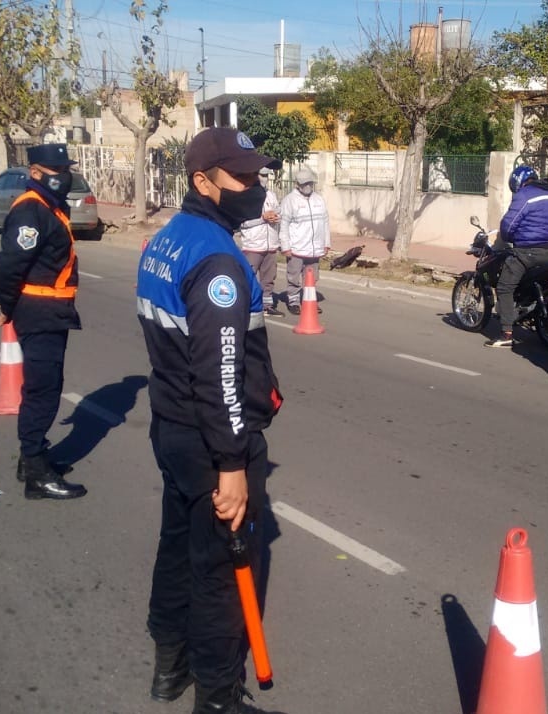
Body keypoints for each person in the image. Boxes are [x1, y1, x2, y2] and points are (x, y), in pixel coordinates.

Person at [136, 127, 285, 714]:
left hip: (172, 428)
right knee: (221, 573)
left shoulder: (168, 238)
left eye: (255, 174)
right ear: (203, 181)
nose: (253, 186)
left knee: (177, 546)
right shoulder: (218, 260)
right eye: (240, 177)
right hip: (210, 441)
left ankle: (168, 668)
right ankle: (218, 699)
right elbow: (221, 373)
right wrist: (231, 464)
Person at [0, 143, 87, 500]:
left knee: (44, 387)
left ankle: (30, 458)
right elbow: (6, 267)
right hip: (40, 311)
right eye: (55, 170)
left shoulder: (49, 205)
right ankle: (35, 473)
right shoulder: (31, 210)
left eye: (65, 169)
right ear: (34, 172)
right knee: (42, 391)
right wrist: (8, 306)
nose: (63, 176)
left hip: (51, 310)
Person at [484, 165, 548, 347]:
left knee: (504, 287)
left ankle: (506, 334)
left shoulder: (524, 196)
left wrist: (509, 238)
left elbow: (508, 224)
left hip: (526, 252)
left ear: (518, 182)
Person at [279, 167, 330, 315]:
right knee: (294, 277)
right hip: (297, 248)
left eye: (309, 183)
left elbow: (325, 222)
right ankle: (294, 301)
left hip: (314, 248)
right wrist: (285, 246)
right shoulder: (289, 201)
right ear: (297, 184)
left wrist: (326, 243)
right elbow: (283, 226)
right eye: (304, 183)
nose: (307, 186)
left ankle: (309, 301)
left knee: (312, 278)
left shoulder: (318, 200)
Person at [239, 168, 284, 317]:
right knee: (248, 277)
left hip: (271, 244)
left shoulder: (271, 195)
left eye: (267, 176)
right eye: (262, 175)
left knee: (269, 278)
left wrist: (275, 217)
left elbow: (279, 213)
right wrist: (262, 218)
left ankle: (266, 305)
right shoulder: (246, 196)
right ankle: (245, 305)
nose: (265, 179)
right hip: (253, 245)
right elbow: (243, 222)